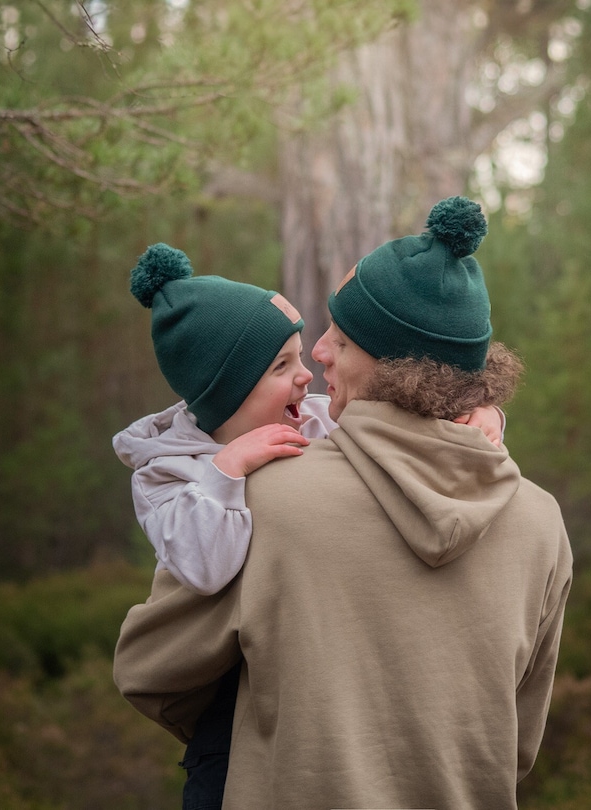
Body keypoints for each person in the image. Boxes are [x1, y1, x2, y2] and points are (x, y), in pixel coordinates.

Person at [113, 240, 506, 810]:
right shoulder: (168, 476)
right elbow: (206, 568)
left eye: (301, 357)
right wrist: (227, 475)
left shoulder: (314, 418)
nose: (308, 378)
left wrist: (486, 415)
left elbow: (411, 448)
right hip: (229, 715)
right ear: (225, 393)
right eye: (280, 367)